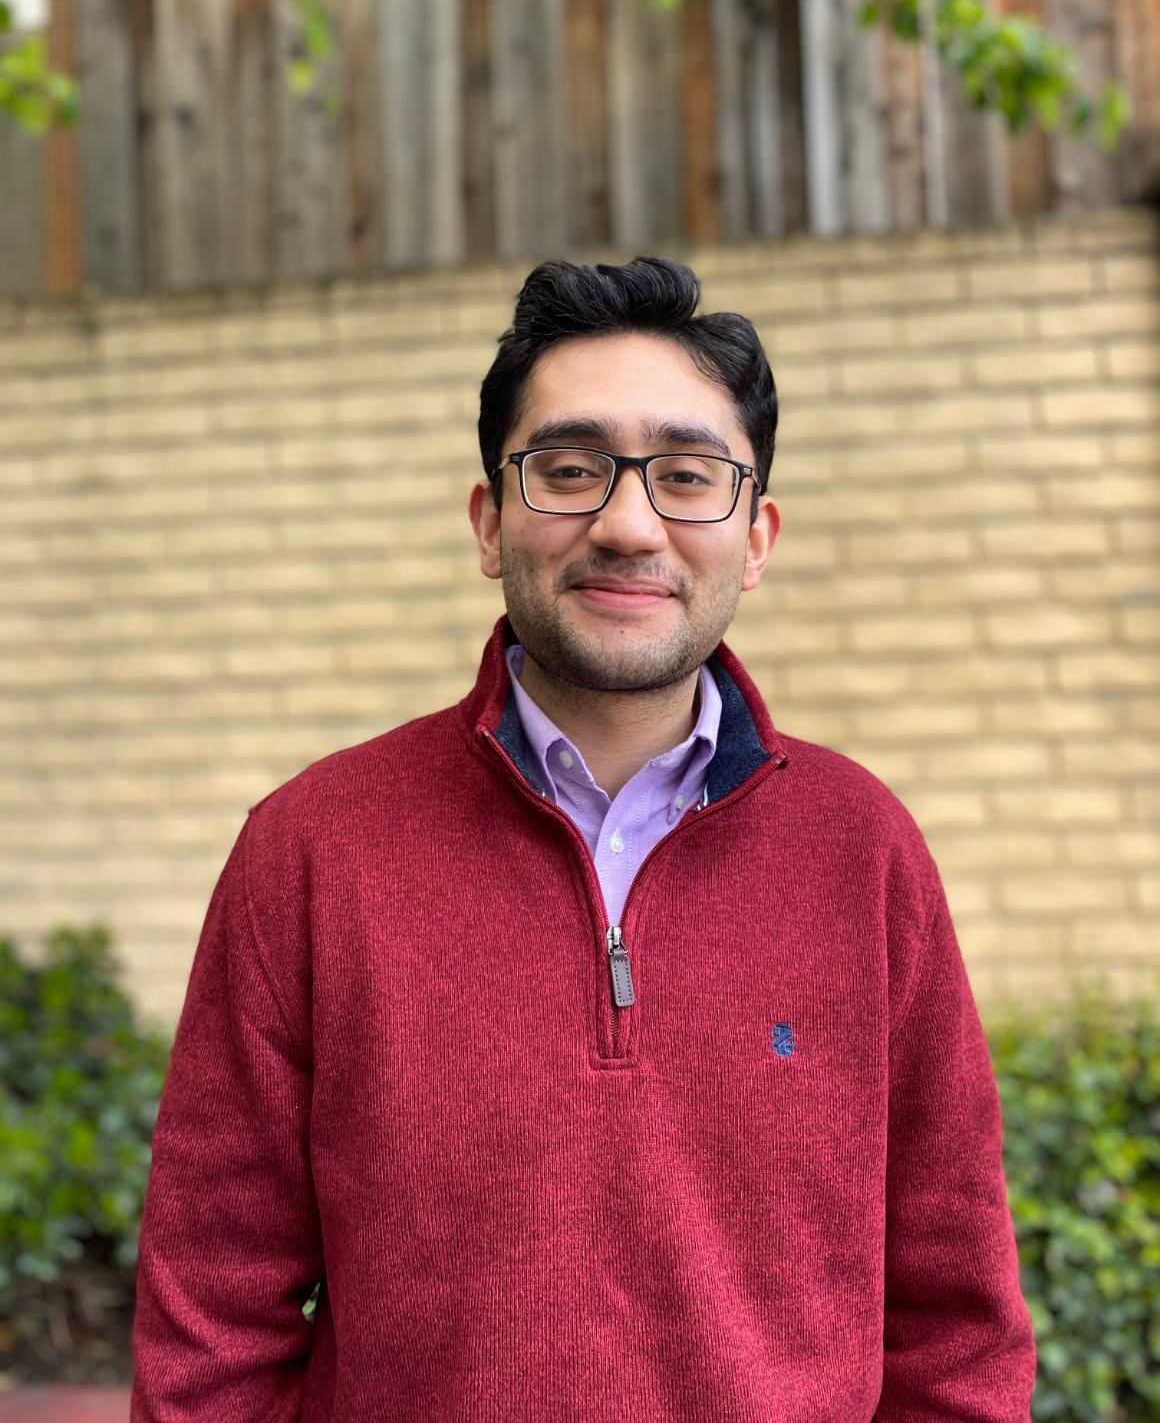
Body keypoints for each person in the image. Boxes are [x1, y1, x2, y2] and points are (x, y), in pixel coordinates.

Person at [130, 257, 1037, 1421]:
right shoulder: (310, 850)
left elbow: (955, 1330)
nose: (626, 522)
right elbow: (210, 1322)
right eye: (568, 469)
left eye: (686, 475)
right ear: (488, 520)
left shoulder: (861, 852)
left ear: (755, 537)